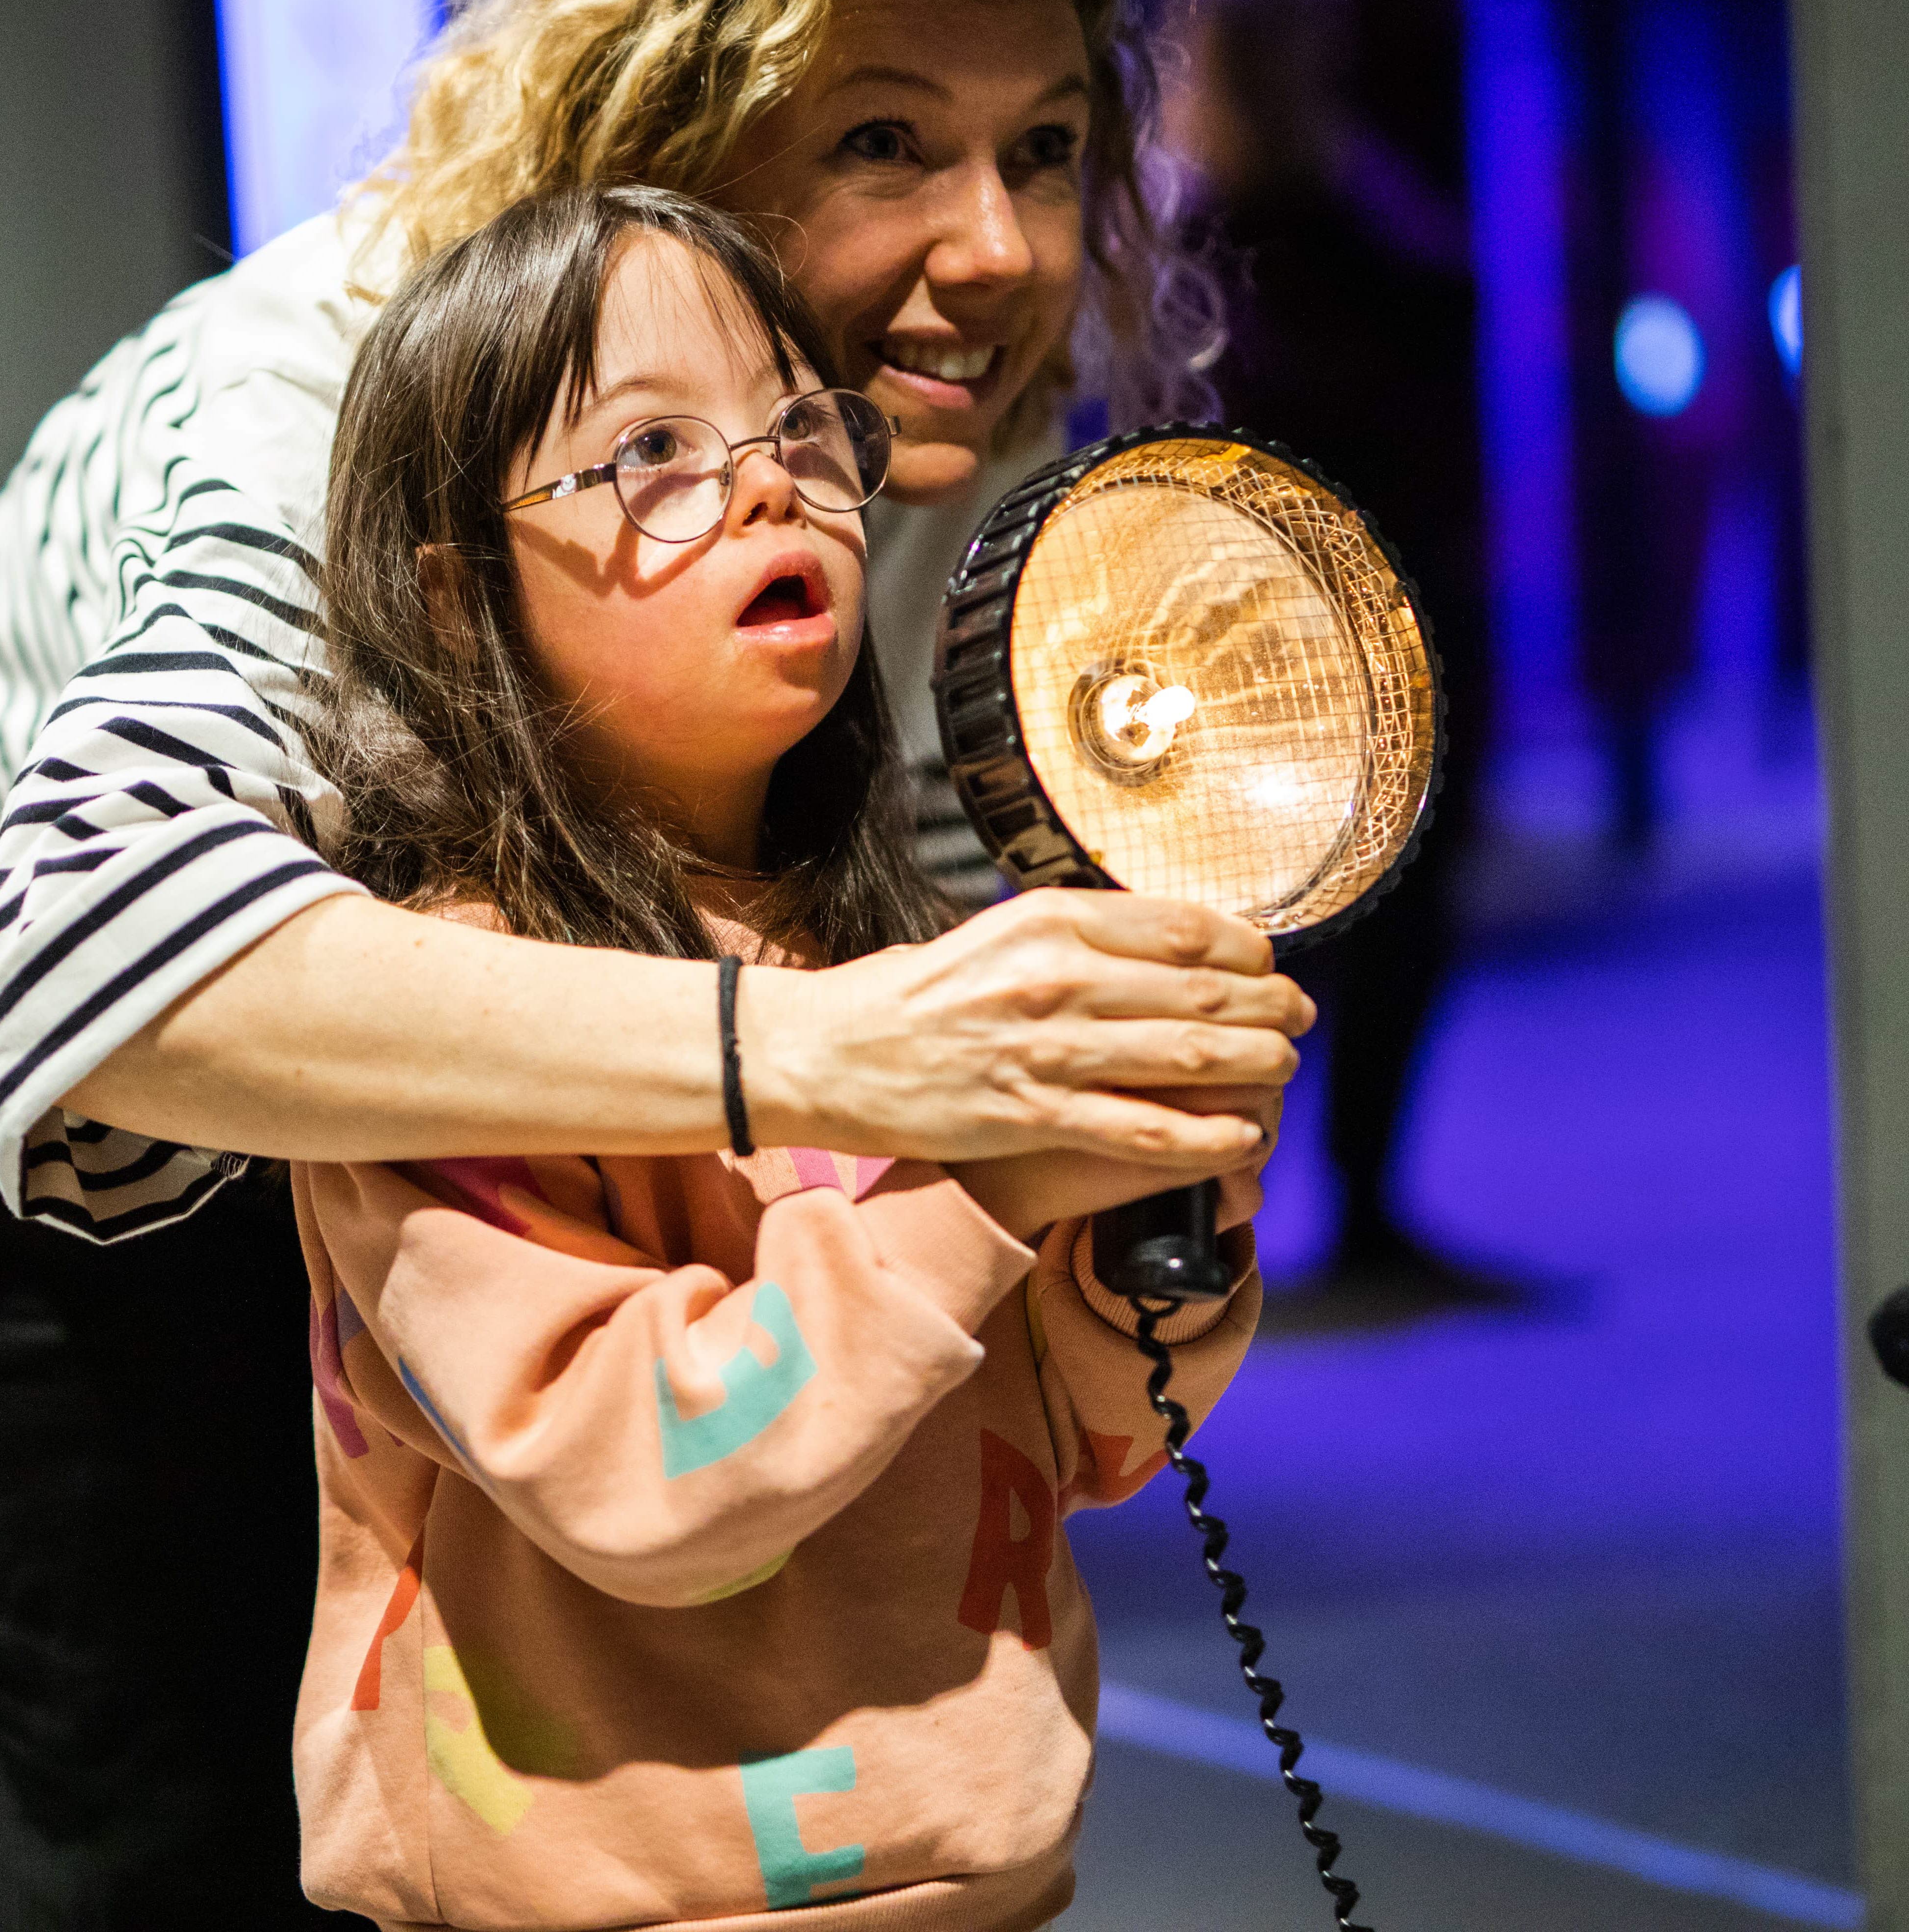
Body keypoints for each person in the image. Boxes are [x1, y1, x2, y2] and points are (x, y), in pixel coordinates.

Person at [0, 0, 1307, 1926]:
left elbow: (920, 920)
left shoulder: (912, 403)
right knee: (188, 1816)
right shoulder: (342, 396)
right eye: (884, 144)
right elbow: (108, 963)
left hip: (555, 966)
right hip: (30, 1048)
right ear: (670, 141)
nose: (999, 244)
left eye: (1045, 150)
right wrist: (877, 1072)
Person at [294, 179, 1259, 1928]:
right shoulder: (449, 1015)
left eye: (797, 423)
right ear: (456, 601)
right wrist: (979, 1188)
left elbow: (1088, 1446)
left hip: (991, 1872)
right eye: (650, 448)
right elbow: (637, 1476)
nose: (765, 482)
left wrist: (1150, 1238)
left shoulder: (898, 966)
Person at [1162, 0, 1501, 1301]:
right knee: (1237, 940)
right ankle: (1182, 1225)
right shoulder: (1192, 226)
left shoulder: (1356, 194)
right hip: (1256, 634)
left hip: (1401, 607)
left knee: (1400, 920)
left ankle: (1361, 1206)